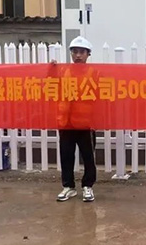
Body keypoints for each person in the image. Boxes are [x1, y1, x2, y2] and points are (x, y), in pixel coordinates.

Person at [56, 36, 98, 203]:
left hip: (86, 123)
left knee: (88, 156)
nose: (78, 55)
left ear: (88, 54)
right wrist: (51, 68)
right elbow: (49, 84)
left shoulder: (94, 73)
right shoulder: (63, 71)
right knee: (66, 155)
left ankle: (88, 186)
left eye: (82, 52)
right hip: (66, 122)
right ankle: (68, 187)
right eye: (75, 52)